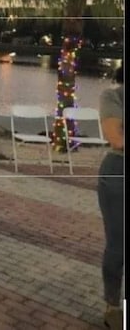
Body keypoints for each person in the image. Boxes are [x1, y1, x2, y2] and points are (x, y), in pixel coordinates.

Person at [97, 64, 124, 330]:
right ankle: (113, 306)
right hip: (119, 174)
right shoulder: (113, 96)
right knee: (119, 244)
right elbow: (117, 138)